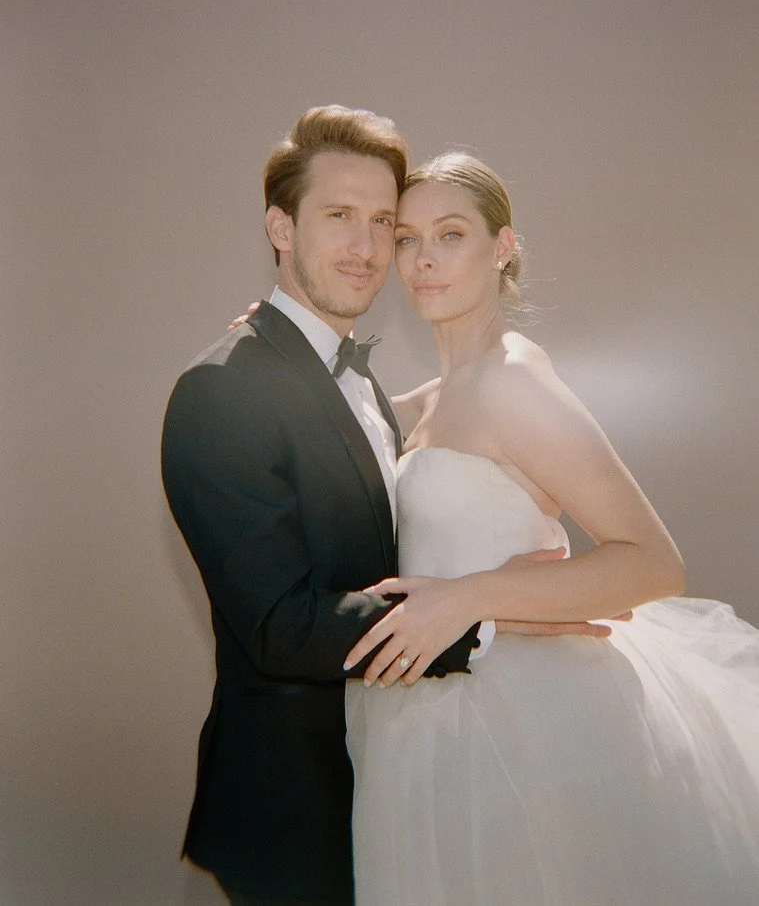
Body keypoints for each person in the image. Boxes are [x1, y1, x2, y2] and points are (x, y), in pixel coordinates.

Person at [163, 109, 590, 904]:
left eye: (382, 224)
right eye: (337, 217)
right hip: (296, 807)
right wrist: (488, 621)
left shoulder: (361, 383)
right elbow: (279, 630)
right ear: (279, 227)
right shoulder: (222, 390)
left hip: (397, 776)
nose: (365, 248)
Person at [342, 152, 759, 904]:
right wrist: (285, 343)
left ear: (501, 247)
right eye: (405, 238)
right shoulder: (435, 395)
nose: (423, 260)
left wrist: (469, 597)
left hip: (525, 728)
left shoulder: (512, 382)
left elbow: (654, 565)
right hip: (428, 707)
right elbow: (340, 406)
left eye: (451, 234)